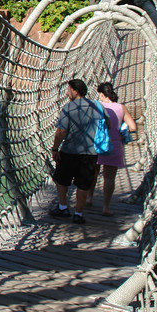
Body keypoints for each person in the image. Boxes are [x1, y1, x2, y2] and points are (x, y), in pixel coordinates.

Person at [49, 78, 109, 224]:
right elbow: (109, 124)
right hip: (91, 153)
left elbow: (62, 131)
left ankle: (63, 207)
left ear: (75, 91)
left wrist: (55, 148)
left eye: (69, 89)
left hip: (70, 151)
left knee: (61, 180)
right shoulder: (97, 106)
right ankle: (78, 213)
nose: (67, 92)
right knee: (83, 184)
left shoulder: (69, 108)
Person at [86, 82, 137, 216]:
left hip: (96, 144)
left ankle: (89, 198)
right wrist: (122, 127)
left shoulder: (96, 106)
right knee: (109, 178)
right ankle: (106, 207)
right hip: (114, 146)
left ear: (102, 94)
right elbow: (133, 127)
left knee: (93, 172)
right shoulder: (121, 107)